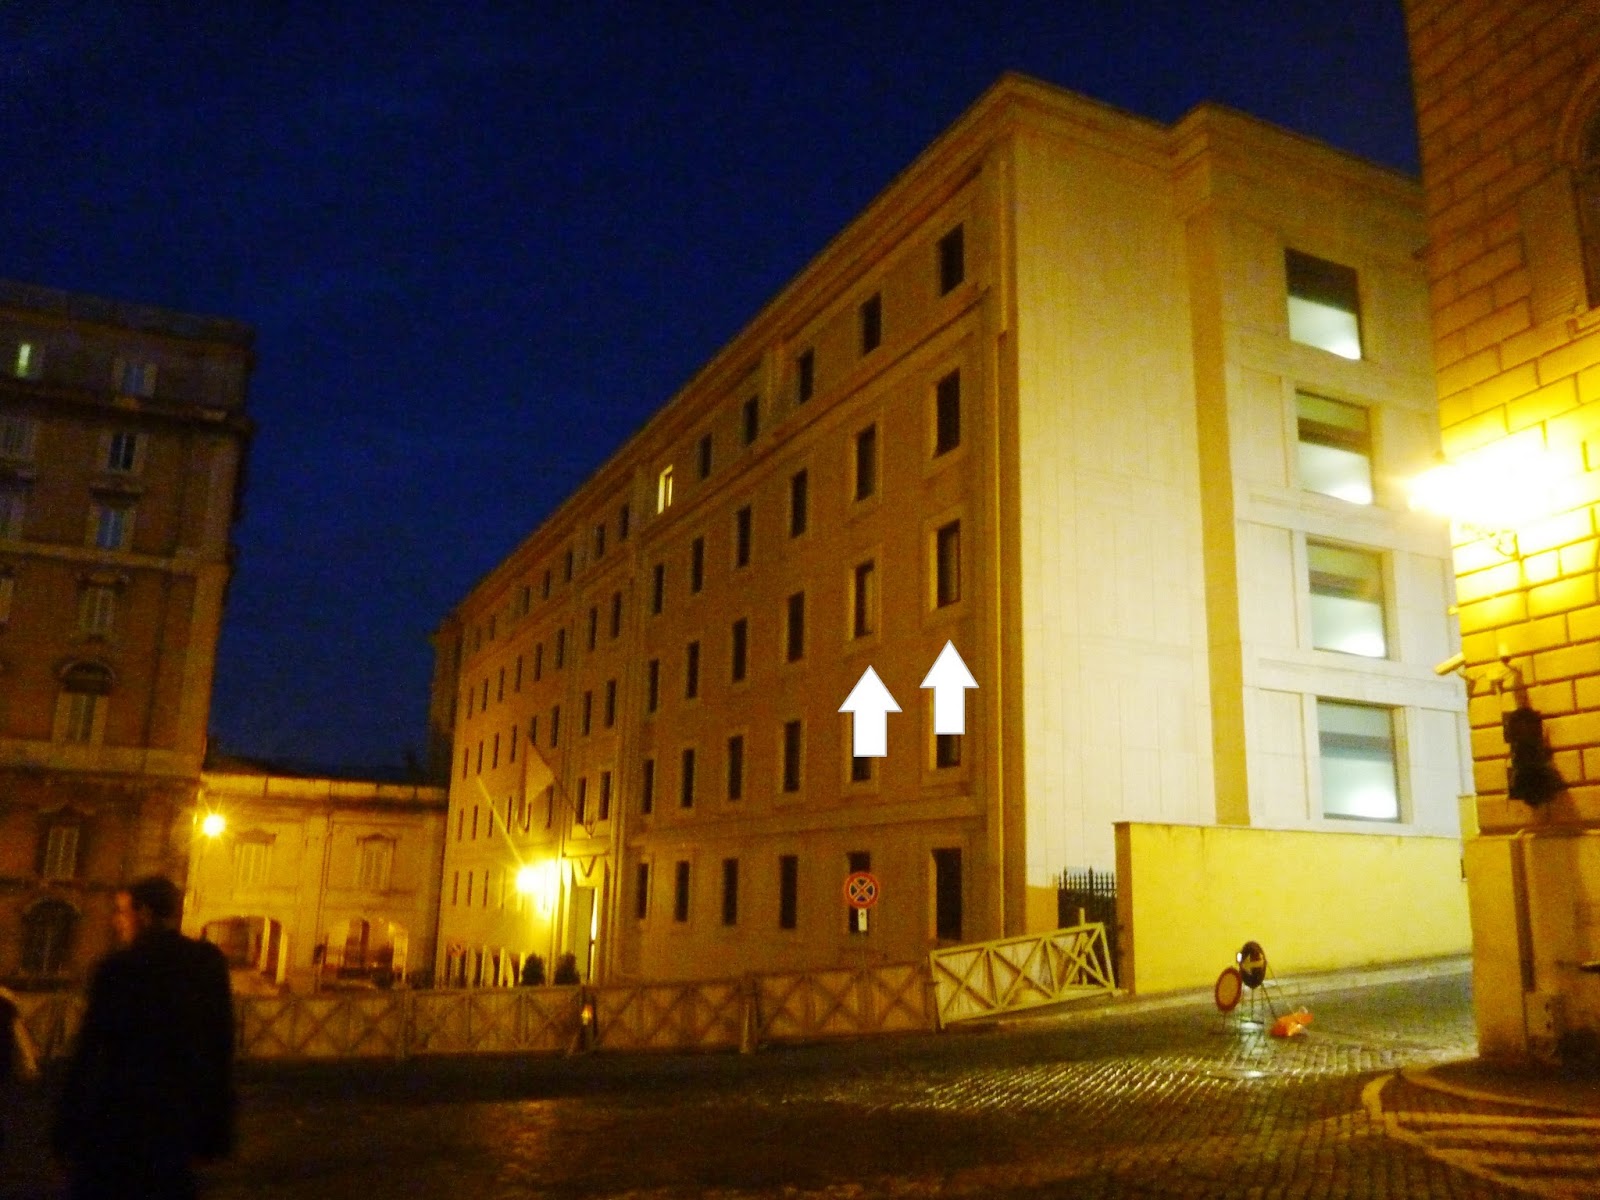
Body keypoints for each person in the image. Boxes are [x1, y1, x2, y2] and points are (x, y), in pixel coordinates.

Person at [52, 876, 236, 1200]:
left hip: (116, 1117)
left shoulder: (119, 968)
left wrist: (66, 1127)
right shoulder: (206, 964)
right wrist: (216, 1126)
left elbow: (90, 1050)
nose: (117, 921)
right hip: (176, 1119)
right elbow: (220, 1046)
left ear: (145, 913)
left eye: (123, 911)